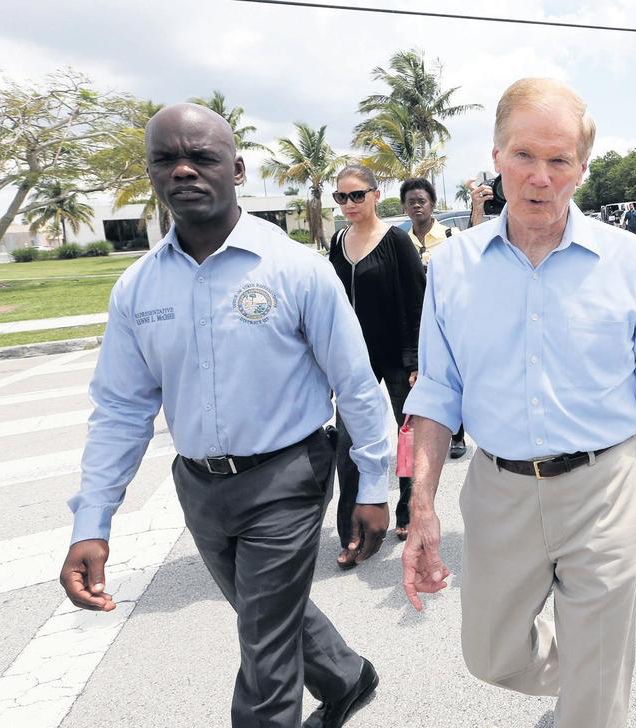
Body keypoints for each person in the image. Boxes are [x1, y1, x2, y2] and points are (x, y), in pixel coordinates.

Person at [59, 104, 390, 728]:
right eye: (166, 159)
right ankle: (347, 677)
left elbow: (356, 384)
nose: (184, 169)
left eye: (202, 157)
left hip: (288, 477)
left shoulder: (297, 269)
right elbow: (121, 410)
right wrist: (92, 522)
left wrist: (373, 485)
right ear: (152, 172)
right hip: (200, 486)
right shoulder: (137, 289)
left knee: (264, 657)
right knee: (263, 608)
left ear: (236, 169)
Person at [401, 78, 636, 728]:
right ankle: (598, 669)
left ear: (582, 169)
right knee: (490, 655)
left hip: (605, 486)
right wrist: (420, 504)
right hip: (497, 490)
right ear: (495, 156)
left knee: (595, 705)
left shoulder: (630, 263)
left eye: (559, 160)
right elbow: (435, 394)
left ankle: (597, 686)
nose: (540, 178)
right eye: (523, 156)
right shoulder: (452, 268)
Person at [326, 166, 424, 553]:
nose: (349, 204)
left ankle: (408, 511)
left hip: (398, 357)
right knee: (349, 443)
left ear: (375, 195)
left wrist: (416, 360)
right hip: (352, 361)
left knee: (407, 439)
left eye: (357, 195)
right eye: (341, 197)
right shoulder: (338, 240)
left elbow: (418, 301)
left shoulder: (396, 241)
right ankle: (351, 527)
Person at [401, 176, 468, 459]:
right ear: (404, 207)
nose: (417, 206)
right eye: (411, 202)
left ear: (432, 205)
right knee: (420, 378)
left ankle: (457, 435)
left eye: (421, 201)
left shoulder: (451, 237)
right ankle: (421, 437)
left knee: (451, 374)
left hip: (445, 317)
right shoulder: (400, 242)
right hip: (414, 319)